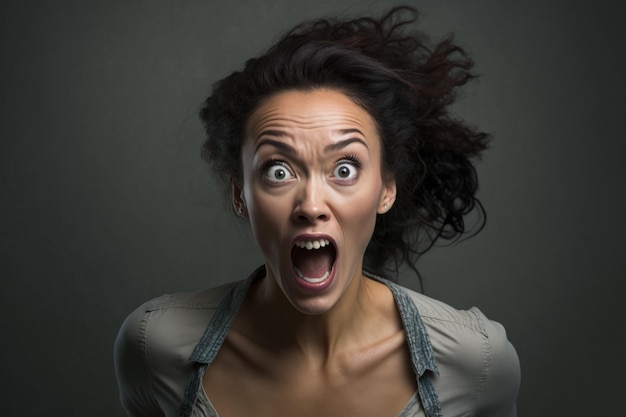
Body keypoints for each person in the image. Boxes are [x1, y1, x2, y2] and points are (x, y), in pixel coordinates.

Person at [114, 6, 520, 417]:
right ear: (241, 194)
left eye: (344, 169)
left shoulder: (478, 363)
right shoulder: (154, 348)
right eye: (278, 170)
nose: (310, 206)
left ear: (386, 189)